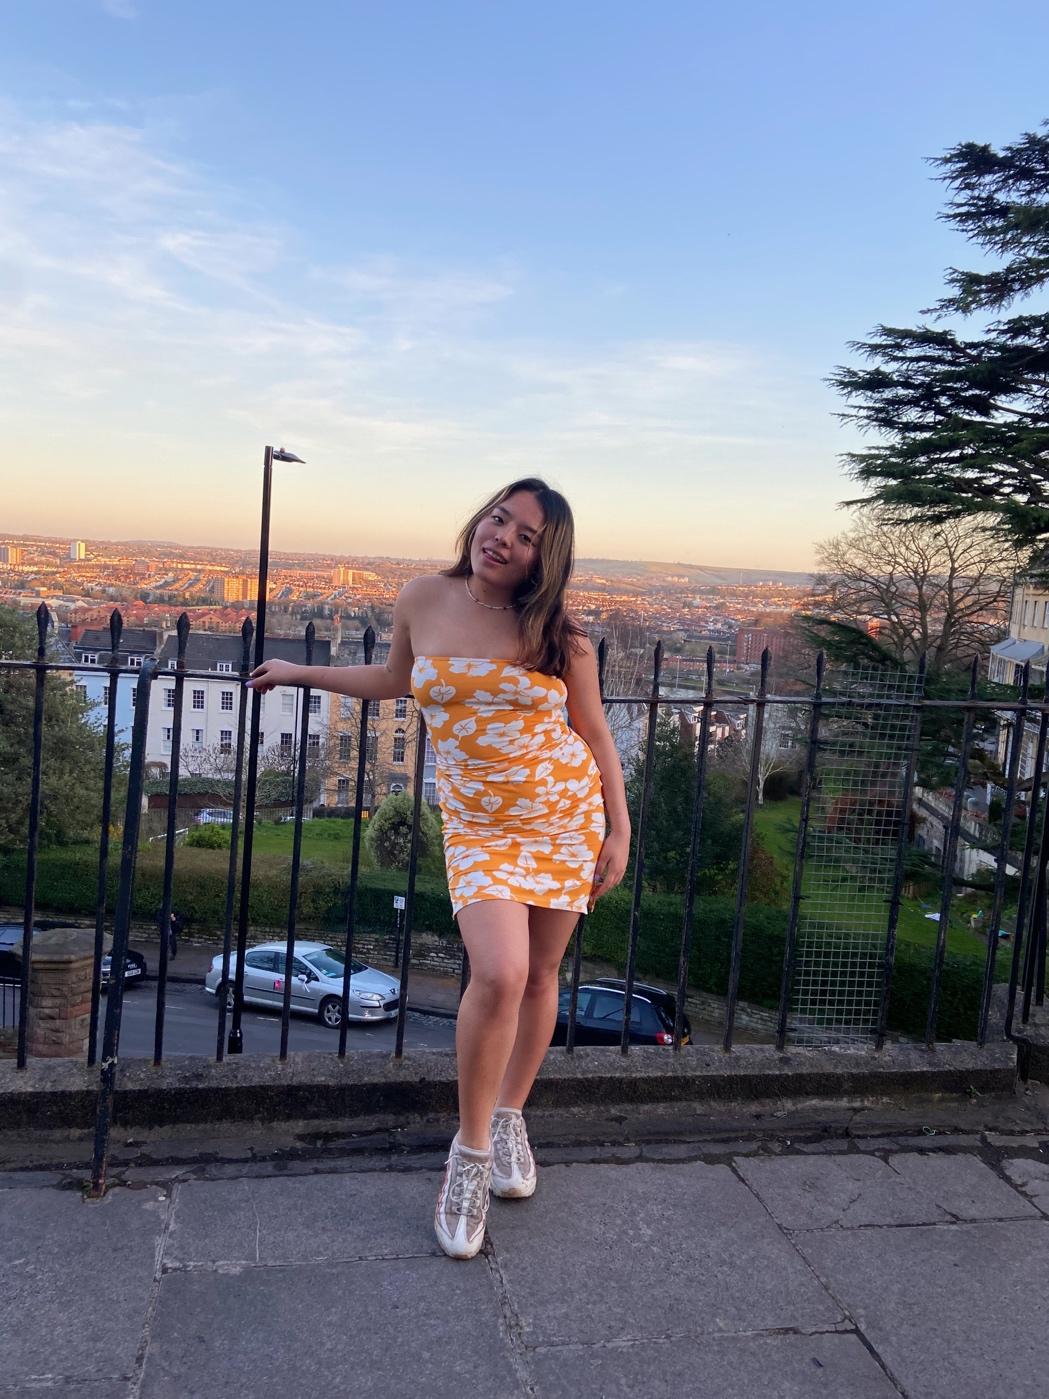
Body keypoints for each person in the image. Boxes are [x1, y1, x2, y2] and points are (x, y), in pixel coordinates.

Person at [248, 478, 630, 1259]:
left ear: (542, 558)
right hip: (478, 828)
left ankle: (510, 1115)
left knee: (540, 977)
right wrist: (299, 670)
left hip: (563, 818)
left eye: (525, 535)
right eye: (499, 517)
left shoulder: (560, 636)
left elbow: (594, 734)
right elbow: (393, 680)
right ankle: (470, 1153)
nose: (502, 537)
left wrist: (618, 828)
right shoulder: (422, 597)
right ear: (480, 519)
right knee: (498, 972)